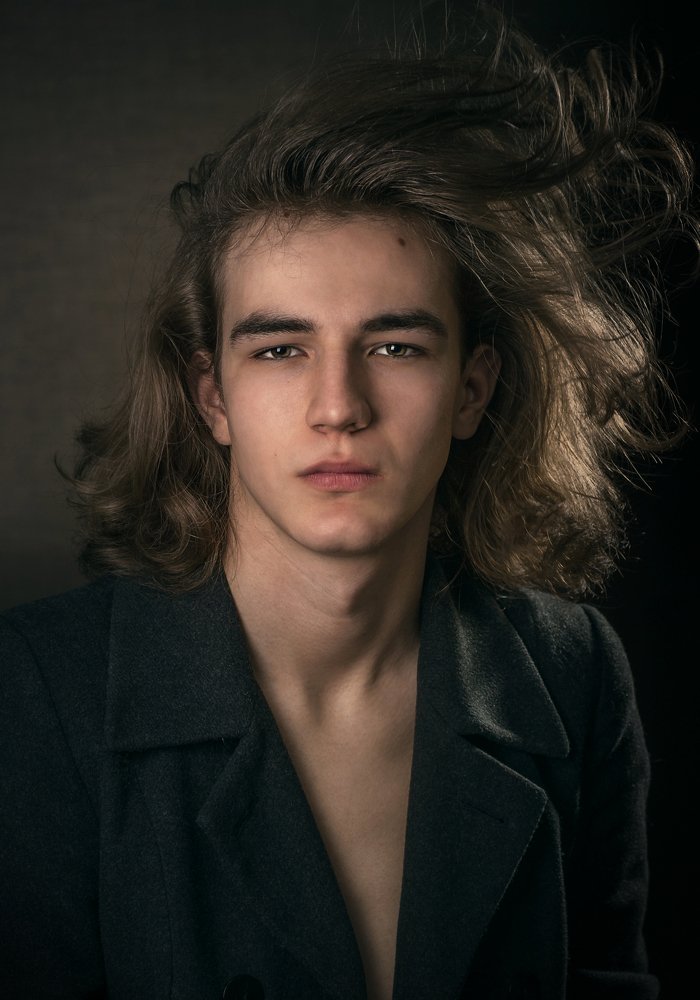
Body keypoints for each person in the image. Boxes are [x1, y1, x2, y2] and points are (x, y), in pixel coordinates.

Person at [1, 4, 694, 998]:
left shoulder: (573, 674)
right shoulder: (35, 690)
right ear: (212, 397)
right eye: (281, 349)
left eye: (395, 346)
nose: (339, 406)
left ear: (472, 390)